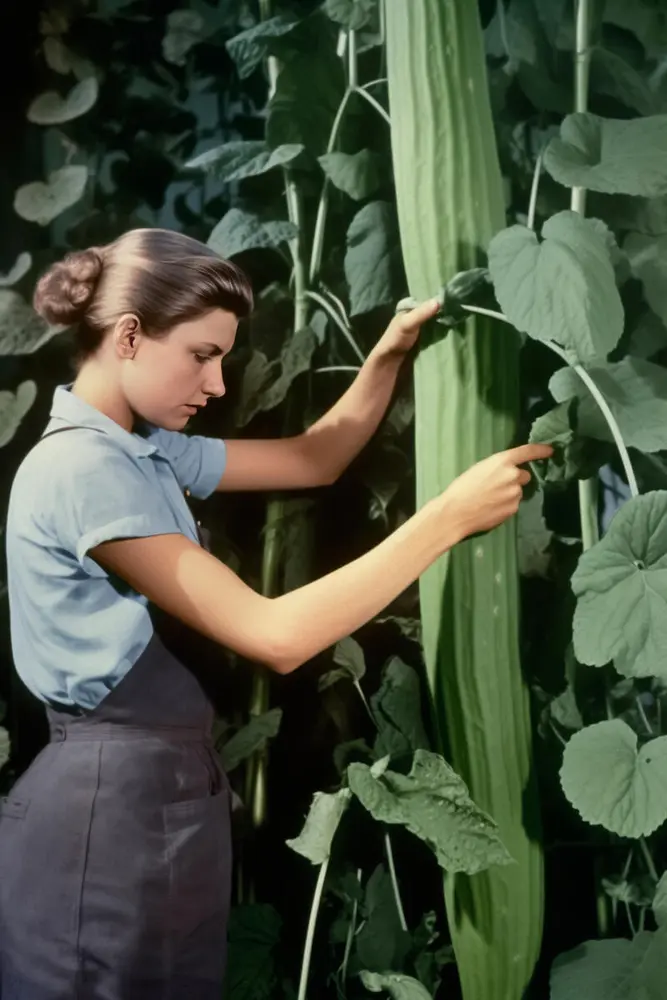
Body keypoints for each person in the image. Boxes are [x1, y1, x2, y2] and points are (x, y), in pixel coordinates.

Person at [0, 227, 551, 999]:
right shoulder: (83, 468)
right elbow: (276, 636)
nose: (219, 383)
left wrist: (386, 356)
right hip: (104, 809)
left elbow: (313, 458)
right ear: (128, 335)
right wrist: (446, 518)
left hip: (151, 798)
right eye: (202, 354)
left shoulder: (141, 449)